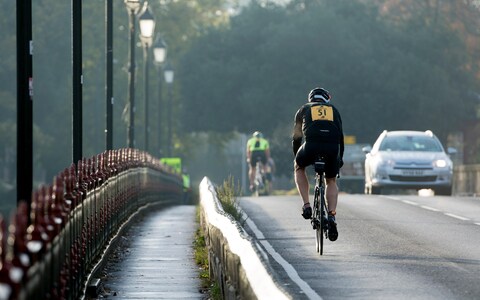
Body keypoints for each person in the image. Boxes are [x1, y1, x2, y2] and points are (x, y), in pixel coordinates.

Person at [292, 87, 344, 241]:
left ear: (311, 99)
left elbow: (296, 137)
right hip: (332, 148)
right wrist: (339, 158)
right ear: (326, 99)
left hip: (311, 145)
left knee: (299, 168)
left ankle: (307, 205)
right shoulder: (333, 110)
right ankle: (332, 216)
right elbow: (341, 137)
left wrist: (297, 158)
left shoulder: (304, 109)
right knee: (331, 180)